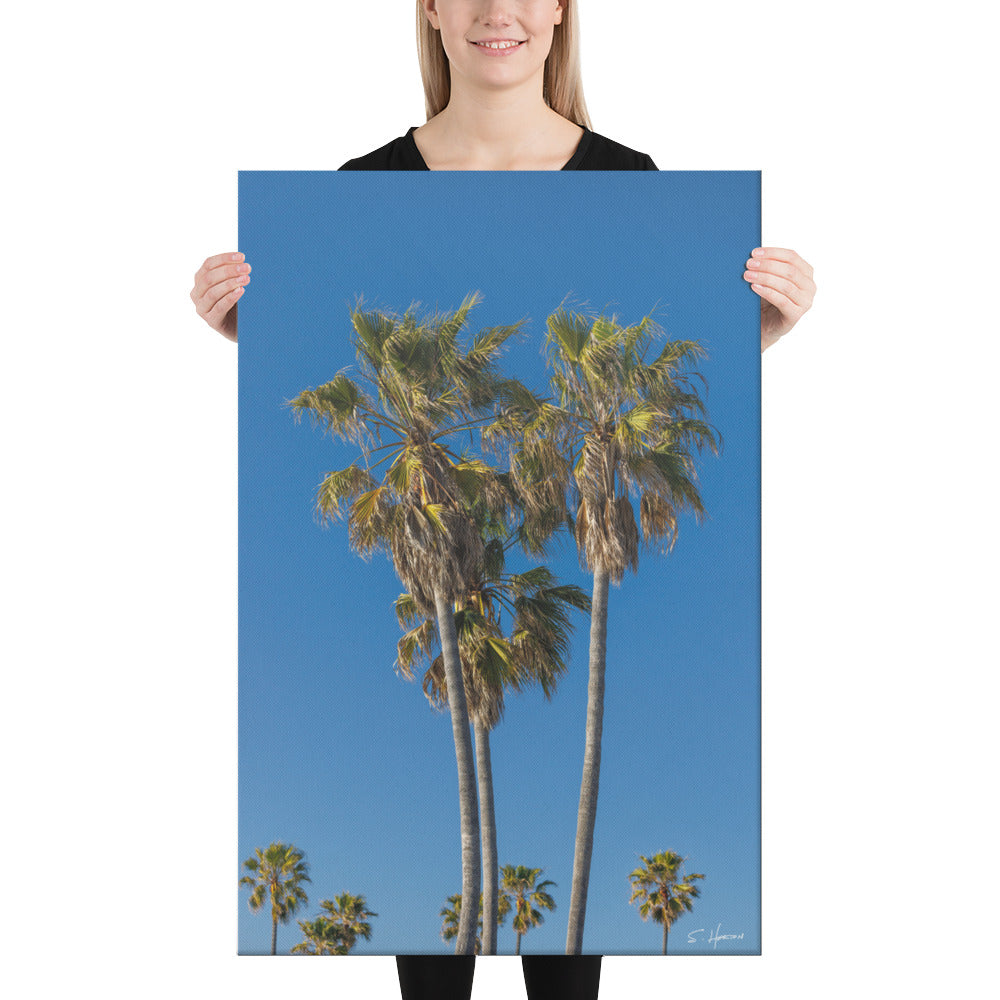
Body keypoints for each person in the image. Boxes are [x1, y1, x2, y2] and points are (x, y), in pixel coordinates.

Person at [193, 2, 816, 997]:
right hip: (440, 586)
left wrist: (765, 329)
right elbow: (328, 376)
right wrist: (247, 330)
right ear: (430, 10)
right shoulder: (358, 191)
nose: (498, 10)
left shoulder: (631, 183)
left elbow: (652, 385)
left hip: (564, 581)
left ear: (562, 10)